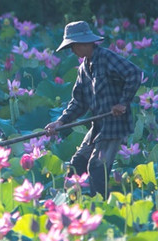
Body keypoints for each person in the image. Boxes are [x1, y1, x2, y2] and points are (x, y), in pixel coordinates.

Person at [44, 20, 143, 197]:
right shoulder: (83, 68)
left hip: (113, 125)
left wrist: (123, 102)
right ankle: (72, 202)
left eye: (73, 46)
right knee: (77, 165)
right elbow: (78, 102)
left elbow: (134, 73)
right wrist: (60, 122)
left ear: (84, 43)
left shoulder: (106, 58)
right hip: (97, 126)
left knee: (97, 167)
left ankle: (102, 205)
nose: (72, 51)